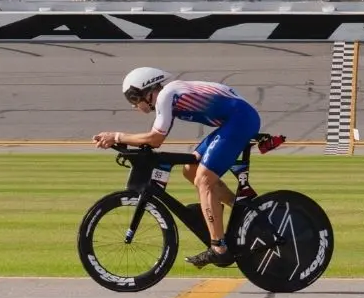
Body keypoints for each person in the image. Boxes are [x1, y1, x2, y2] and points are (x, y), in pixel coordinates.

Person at [94, 67, 264, 269]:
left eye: (133, 99)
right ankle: (243, 213)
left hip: (240, 120)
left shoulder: (167, 95)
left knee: (204, 180)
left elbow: (155, 139)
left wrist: (117, 137)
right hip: (235, 119)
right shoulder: (171, 94)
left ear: (144, 92)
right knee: (190, 169)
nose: (134, 106)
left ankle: (219, 247)